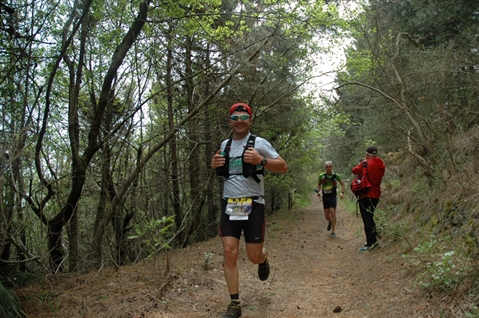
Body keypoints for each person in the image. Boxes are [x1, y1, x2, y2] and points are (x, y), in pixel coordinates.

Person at [211, 103, 288, 318]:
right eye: (235, 117)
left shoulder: (259, 143)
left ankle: (263, 260)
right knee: (229, 252)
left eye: (244, 116)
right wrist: (214, 164)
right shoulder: (224, 144)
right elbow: (221, 169)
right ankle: (235, 304)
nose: (239, 120)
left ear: (250, 120)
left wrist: (261, 160)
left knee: (253, 256)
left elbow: (283, 166)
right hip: (230, 204)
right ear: (230, 121)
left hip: (253, 204)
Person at [351, 146, 386, 252]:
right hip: (376, 195)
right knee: (370, 217)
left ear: (367, 154)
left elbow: (354, 170)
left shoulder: (365, 163)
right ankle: (374, 241)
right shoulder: (381, 164)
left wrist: (362, 162)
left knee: (367, 219)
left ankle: (370, 243)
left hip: (366, 195)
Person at [317, 161, 345, 238]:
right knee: (327, 216)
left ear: (332, 167)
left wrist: (342, 192)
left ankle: (333, 231)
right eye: (327, 167)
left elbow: (342, 184)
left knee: (333, 213)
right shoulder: (321, 176)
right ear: (325, 168)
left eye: (330, 166)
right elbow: (319, 184)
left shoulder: (336, 176)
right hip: (325, 197)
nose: (328, 168)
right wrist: (319, 191)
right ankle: (330, 222)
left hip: (333, 196)